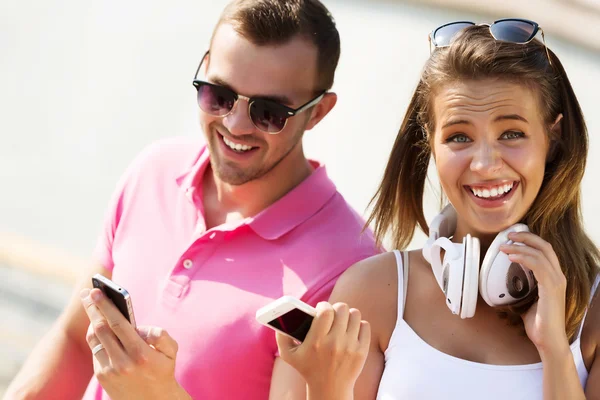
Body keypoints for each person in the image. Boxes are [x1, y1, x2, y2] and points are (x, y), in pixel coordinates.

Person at [4, 1, 380, 399]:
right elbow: (77, 343)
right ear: (204, 67)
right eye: (219, 95)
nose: (235, 124)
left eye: (268, 112)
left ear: (318, 111)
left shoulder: (349, 269)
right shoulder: (154, 170)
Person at [272, 20, 600, 399]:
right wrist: (325, 386)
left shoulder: (594, 309)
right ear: (430, 143)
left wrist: (555, 350)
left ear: (552, 138)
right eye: (459, 137)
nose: (484, 164)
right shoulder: (376, 291)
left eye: (512, 133)